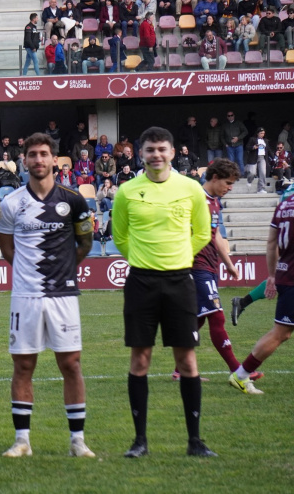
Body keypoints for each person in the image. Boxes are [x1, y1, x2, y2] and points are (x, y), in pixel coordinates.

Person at [112, 127, 215, 458]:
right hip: (141, 282)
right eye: (150, 150)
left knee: (187, 359)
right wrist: (143, 260)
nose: (156, 155)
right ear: (141, 154)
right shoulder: (127, 191)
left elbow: (202, 233)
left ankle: (195, 441)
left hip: (180, 281)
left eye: (161, 149)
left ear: (172, 152)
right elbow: (120, 236)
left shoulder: (191, 188)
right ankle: (139, 441)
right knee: (140, 358)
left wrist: (178, 258)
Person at [0, 132, 95, 459]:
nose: (38, 159)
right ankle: (22, 441)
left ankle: (77, 441)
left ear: (55, 159)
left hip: (63, 296)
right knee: (23, 365)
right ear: (24, 160)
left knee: (71, 364)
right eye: (32, 154)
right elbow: (7, 250)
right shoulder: (10, 204)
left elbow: (85, 243)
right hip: (25, 296)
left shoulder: (75, 201)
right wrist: (32, 274)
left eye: (43, 154)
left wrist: (63, 269)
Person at [165, 159, 263, 390]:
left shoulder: (214, 202)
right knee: (217, 317)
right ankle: (238, 371)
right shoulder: (195, 199)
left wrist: (228, 263)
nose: (230, 188)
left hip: (209, 266)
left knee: (199, 319)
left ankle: (180, 371)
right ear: (215, 177)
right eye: (228, 183)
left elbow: (215, 233)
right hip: (196, 267)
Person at [228, 189, 294, 394]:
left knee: (281, 333)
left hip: (285, 274)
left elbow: (271, 242)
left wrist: (272, 276)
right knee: (280, 333)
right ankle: (240, 375)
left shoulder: (284, 205)